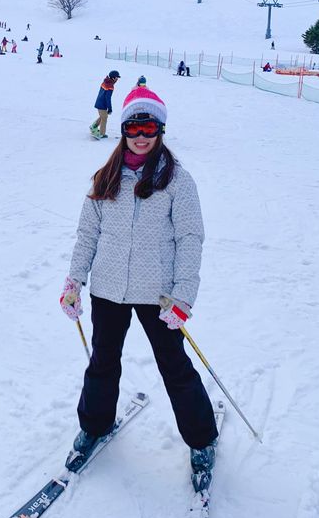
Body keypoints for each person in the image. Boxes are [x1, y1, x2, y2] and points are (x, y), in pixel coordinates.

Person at [60, 87, 218, 475]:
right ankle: (94, 426)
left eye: (149, 126)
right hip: (108, 288)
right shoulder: (106, 177)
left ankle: (201, 440)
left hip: (159, 295)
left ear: (160, 130)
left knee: (174, 366)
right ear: (123, 130)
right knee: (102, 362)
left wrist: (183, 297)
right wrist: (74, 282)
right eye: (134, 126)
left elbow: (190, 239)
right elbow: (88, 235)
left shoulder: (177, 181)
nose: (141, 135)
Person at [90, 70, 120, 138]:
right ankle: (101, 134)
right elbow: (108, 98)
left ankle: (93, 126)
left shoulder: (105, 81)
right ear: (113, 78)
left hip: (99, 102)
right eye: (116, 77)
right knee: (105, 117)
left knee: (103, 116)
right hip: (102, 104)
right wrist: (110, 108)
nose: (117, 79)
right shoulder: (110, 86)